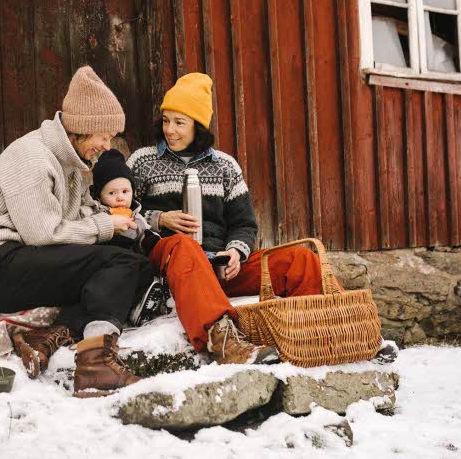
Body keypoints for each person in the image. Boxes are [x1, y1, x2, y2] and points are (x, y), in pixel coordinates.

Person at [0, 66, 151, 396]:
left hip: (27, 260)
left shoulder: (72, 166)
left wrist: (127, 223)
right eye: (104, 136)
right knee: (119, 264)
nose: (107, 145)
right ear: (82, 129)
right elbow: (42, 234)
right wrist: (105, 226)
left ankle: (45, 337)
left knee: (132, 262)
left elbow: (79, 217)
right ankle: (95, 366)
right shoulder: (31, 156)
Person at [127, 73, 330, 365]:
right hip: (170, 265)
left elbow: (244, 223)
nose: (169, 130)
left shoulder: (225, 166)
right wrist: (160, 218)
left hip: (217, 268)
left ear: (199, 126)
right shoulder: (142, 161)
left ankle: (341, 330)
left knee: (300, 260)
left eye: (179, 122)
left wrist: (235, 252)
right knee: (185, 246)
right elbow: (121, 212)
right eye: (166, 120)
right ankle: (225, 345)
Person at [90, 149, 166, 325]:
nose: (120, 198)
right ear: (99, 195)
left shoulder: (135, 215)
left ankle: (145, 302)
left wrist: (150, 239)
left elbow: (143, 233)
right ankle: (129, 309)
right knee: (119, 282)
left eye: (125, 191)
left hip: (134, 260)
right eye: (112, 193)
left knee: (144, 269)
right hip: (109, 261)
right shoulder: (97, 214)